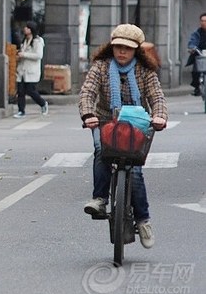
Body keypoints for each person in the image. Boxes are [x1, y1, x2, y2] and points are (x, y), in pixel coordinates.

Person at [79, 23, 167, 249]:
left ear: (136, 50)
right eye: (118, 46)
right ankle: (100, 199)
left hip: (136, 124)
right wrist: (88, 114)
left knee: (135, 172)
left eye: (127, 48)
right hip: (106, 121)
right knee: (101, 150)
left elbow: (156, 97)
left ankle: (144, 220)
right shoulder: (100, 66)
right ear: (111, 47)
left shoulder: (146, 71)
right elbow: (88, 92)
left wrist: (159, 117)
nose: (121, 52)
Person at [13, 21, 48, 118]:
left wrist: (24, 55)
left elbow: (38, 55)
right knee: (20, 91)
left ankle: (43, 103)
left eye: (27, 28)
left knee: (30, 90)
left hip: (31, 70)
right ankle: (21, 110)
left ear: (31, 29)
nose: (25, 29)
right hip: (22, 70)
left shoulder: (37, 41)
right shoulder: (24, 40)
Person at [186, 13, 206, 96]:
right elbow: (192, 42)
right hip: (200, 55)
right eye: (202, 21)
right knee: (196, 71)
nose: (203, 23)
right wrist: (192, 48)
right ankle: (197, 88)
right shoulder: (197, 33)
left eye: (205, 21)